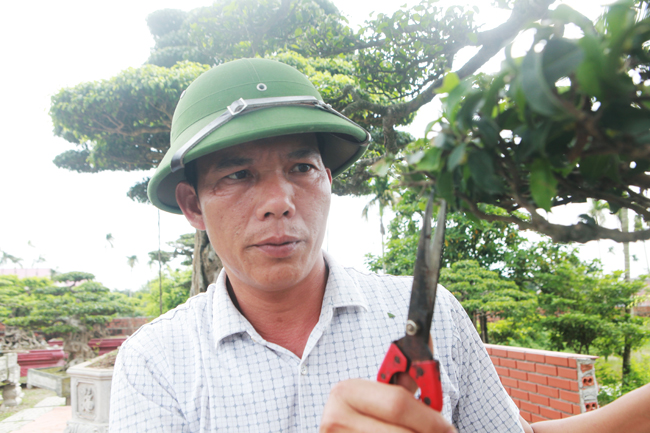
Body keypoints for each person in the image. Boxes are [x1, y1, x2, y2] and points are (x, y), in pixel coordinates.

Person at [109, 58, 525, 432]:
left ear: (327, 180)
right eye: (237, 174)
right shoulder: (156, 361)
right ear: (192, 204)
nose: (279, 203)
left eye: (301, 168)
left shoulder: (435, 316)